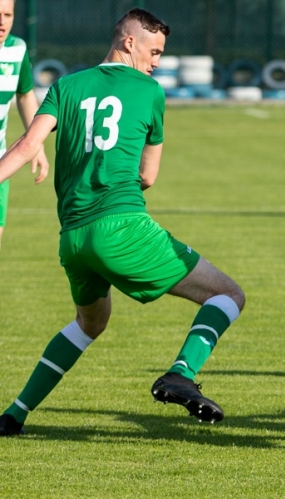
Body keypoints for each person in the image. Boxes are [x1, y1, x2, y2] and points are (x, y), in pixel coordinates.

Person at [0, 8, 245, 437]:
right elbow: (148, 176)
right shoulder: (150, 91)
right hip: (121, 226)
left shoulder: (66, 85)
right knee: (227, 294)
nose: (157, 62)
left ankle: (14, 415)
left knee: (90, 323)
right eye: (154, 51)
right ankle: (180, 373)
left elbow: (25, 146)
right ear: (128, 42)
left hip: (73, 239)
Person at [0, 0, 50, 250]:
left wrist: (36, 141)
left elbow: (25, 94)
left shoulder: (17, 49)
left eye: (8, 15)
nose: (2, 22)